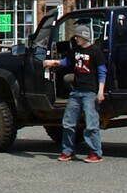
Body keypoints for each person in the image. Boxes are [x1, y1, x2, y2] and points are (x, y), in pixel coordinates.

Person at [44, 22, 107, 162]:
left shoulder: (95, 52)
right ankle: (67, 151)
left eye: (78, 36)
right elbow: (67, 62)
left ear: (84, 37)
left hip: (89, 92)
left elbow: (102, 72)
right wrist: (53, 62)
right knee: (68, 122)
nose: (76, 39)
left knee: (91, 124)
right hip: (76, 91)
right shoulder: (76, 51)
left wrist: (100, 92)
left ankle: (95, 153)